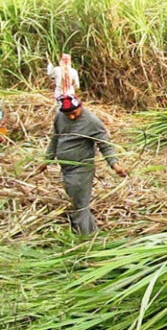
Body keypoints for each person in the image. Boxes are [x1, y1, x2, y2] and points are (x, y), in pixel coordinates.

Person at [37, 95, 127, 235]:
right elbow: (55, 138)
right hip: (66, 168)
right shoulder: (60, 117)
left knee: (80, 205)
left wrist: (115, 165)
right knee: (76, 202)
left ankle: (85, 237)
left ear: (80, 106)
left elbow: (105, 145)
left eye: (74, 113)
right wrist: (47, 160)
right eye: (68, 114)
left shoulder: (92, 121)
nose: (71, 117)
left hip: (81, 168)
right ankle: (90, 233)